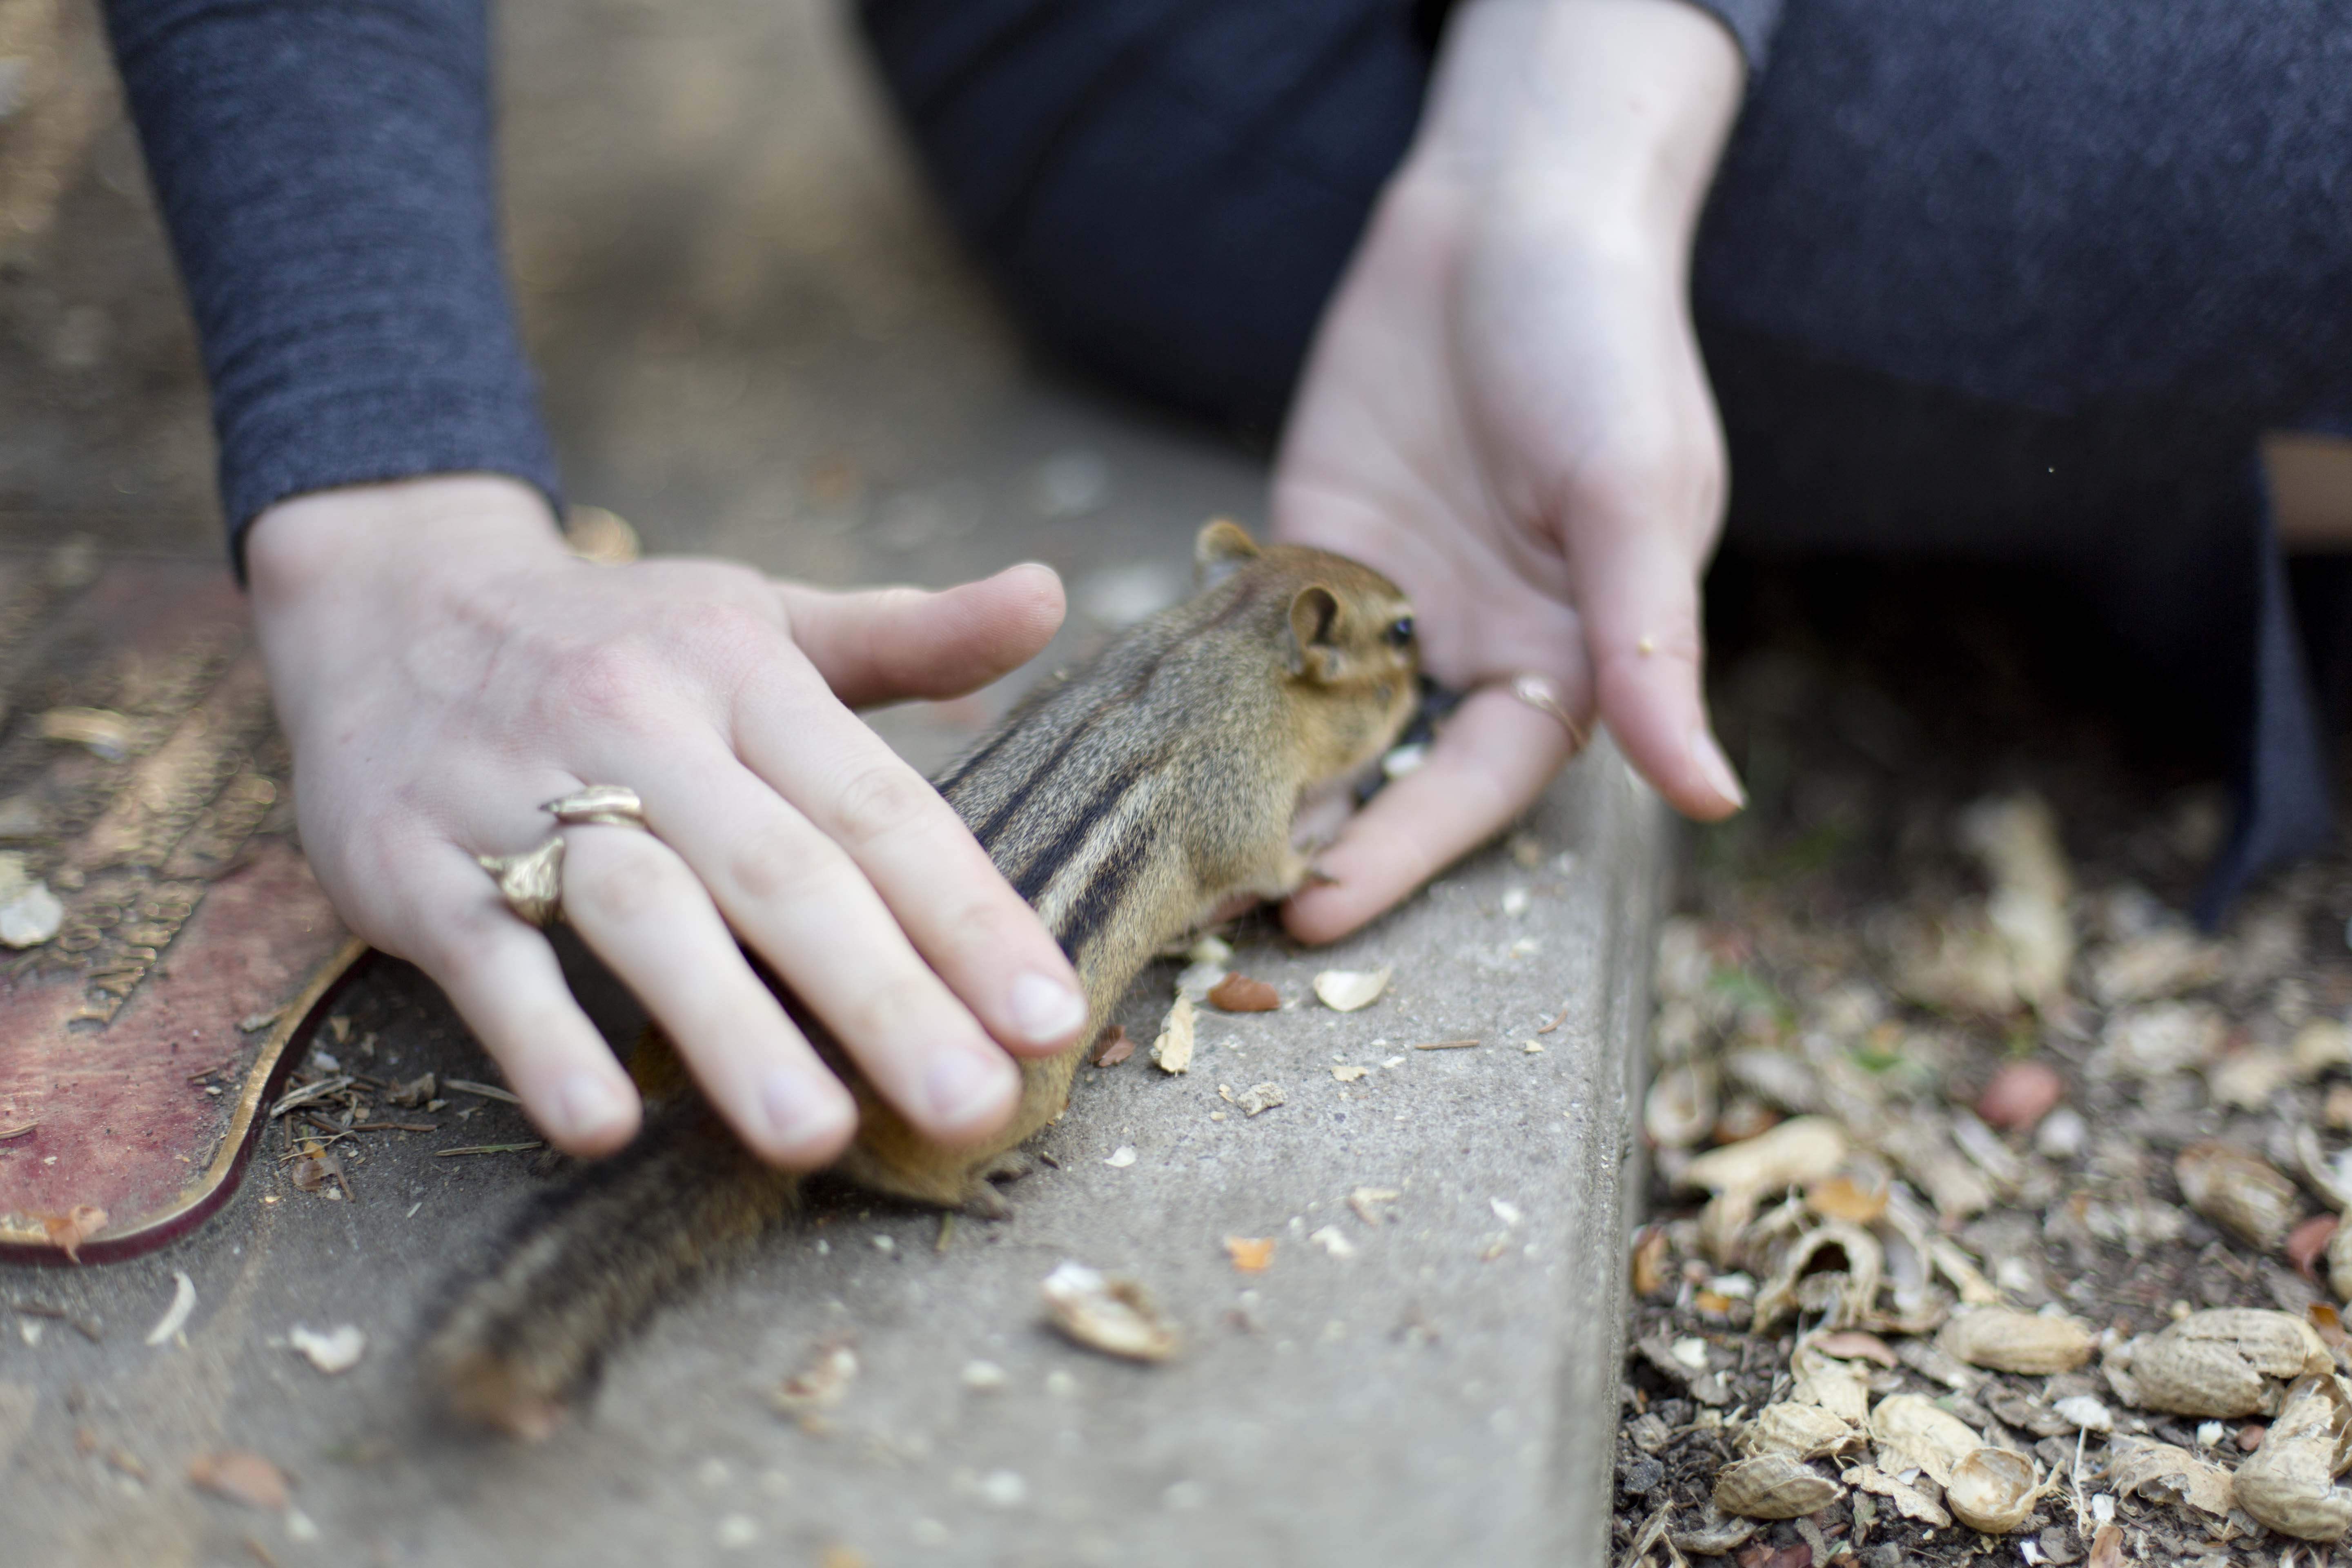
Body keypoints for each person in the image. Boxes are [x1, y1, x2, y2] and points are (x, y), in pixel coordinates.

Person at [101, 0, 2352, 1170]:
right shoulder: (1245, 697)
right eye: (1363, 653)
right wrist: (390, 492)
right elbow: (1233, 832)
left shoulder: (1255, 682)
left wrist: (1571, 108)